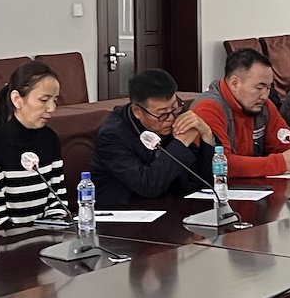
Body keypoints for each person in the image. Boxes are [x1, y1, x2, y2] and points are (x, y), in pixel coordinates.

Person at [92, 68, 216, 207]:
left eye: (174, 108)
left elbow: (200, 179)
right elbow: (148, 186)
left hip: (170, 207)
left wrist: (207, 135)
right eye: (162, 113)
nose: (170, 118)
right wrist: (180, 144)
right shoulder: (112, 136)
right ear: (137, 111)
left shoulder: (176, 115)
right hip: (124, 211)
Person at [0, 61, 70, 228]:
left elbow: (57, 202)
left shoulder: (50, 139)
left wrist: (52, 232)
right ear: (17, 99)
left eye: (54, 100)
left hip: (41, 236)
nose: (51, 108)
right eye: (44, 100)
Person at [192, 48, 290, 177]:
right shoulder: (208, 108)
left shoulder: (263, 105)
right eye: (259, 87)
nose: (265, 95)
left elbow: (285, 143)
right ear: (234, 83)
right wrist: (281, 163)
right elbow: (221, 163)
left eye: (268, 88)